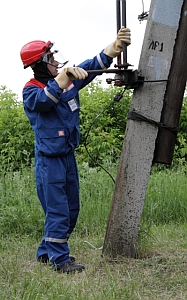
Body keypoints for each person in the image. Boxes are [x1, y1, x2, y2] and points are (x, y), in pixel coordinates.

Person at [20, 27, 131, 274]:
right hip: (49, 163)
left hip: (67, 157)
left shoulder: (67, 81)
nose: (56, 61)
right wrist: (62, 78)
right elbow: (45, 101)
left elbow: (92, 65)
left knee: (70, 210)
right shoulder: (31, 90)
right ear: (38, 64)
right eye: (50, 58)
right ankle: (60, 261)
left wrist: (113, 48)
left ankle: (46, 253)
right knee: (57, 211)